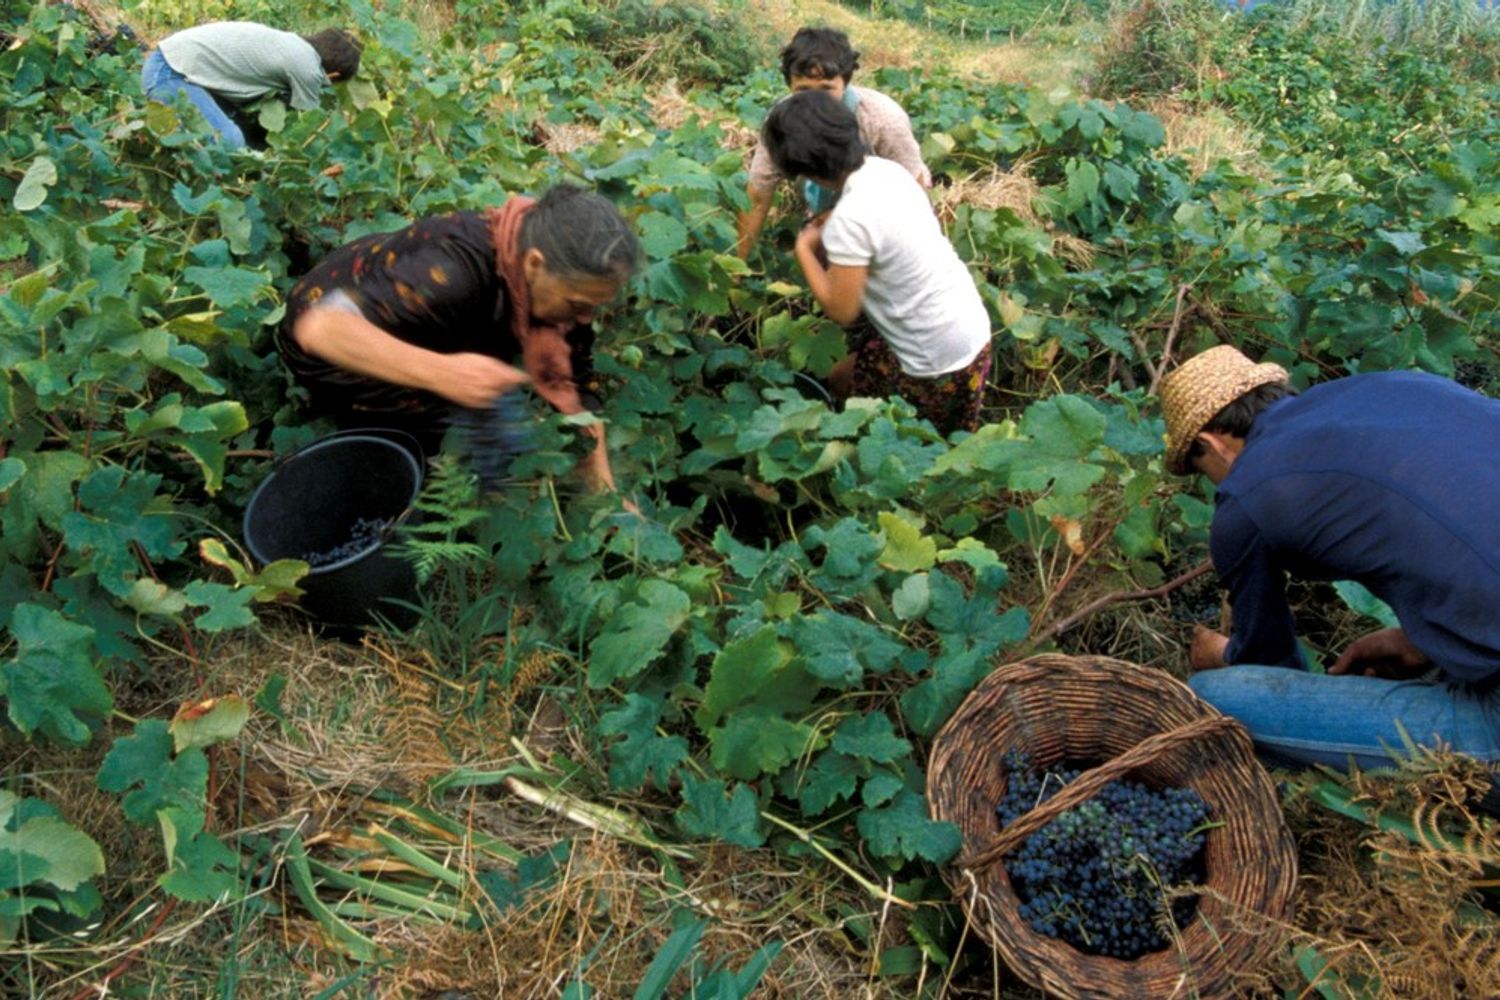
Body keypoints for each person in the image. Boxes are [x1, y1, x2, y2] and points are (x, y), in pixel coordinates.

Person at [1160, 344, 1500, 772]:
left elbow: (1271, 668)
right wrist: (1423, 640)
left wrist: (1223, 656)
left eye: (1200, 469)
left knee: (1217, 696)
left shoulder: (1246, 499)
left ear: (1212, 444)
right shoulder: (1402, 387)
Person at [276, 185, 641, 496]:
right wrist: (444, 373)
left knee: (486, 400)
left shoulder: (551, 265)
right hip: (331, 330)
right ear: (533, 263)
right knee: (439, 436)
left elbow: (578, 381)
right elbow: (320, 329)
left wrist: (602, 486)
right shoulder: (452, 273)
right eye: (577, 304)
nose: (584, 319)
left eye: (594, 306)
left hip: (403, 299)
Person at [760, 90, 991, 434]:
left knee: (910, 440)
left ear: (804, 169)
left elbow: (841, 310)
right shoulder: (889, 172)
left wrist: (805, 249)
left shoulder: (849, 221)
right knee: (842, 377)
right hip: (970, 329)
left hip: (931, 362)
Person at [736, 27, 930, 260]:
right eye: (803, 90)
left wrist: (844, 218)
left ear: (845, 82)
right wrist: (736, 267)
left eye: (826, 89)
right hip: (825, 196)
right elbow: (758, 196)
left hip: (885, 204)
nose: (814, 100)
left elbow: (913, 192)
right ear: (790, 86)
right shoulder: (782, 122)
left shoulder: (882, 120)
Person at [141, 22, 360, 149]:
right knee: (230, 142)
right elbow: (309, 126)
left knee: (245, 133)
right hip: (170, 73)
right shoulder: (308, 67)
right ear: (333, 74)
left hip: (174, 65)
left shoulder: (294, 44)